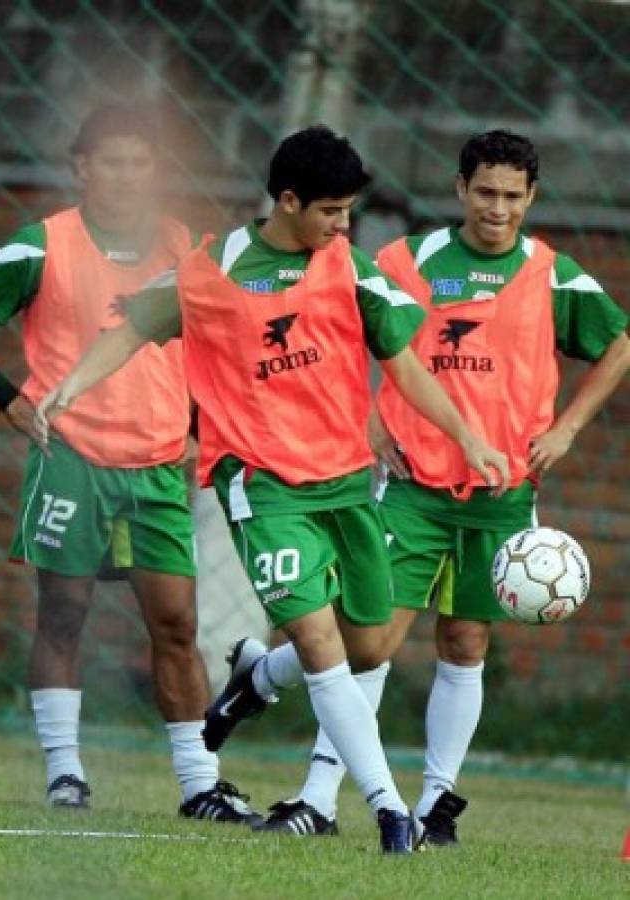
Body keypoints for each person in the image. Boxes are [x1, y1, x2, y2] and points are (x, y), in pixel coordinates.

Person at [34, 125, 509, 853]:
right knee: (319, 642)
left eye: (348, 211)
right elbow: (129, 332)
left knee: (370, 645)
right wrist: (68, 386)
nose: (342, 225)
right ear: (286, 201)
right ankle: (388, 812)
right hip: (262, 486)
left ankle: (256, 680)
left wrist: (468, 436)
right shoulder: (209, 270)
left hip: (347, 483)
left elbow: (406, 364)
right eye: (329, 211)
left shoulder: (346, 268)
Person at [222, 128, 630, 844]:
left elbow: (619, 343)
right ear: (458, 189)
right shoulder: (404, 261)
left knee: (466, 641)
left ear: (531, 196)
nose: (496, 208)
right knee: (370, 640)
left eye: (511, 195)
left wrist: (564, 430)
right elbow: (337, 338)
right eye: (483, 192)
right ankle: (317, 797)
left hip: (502, 491)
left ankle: (432, 803)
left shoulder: (553, 276)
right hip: (412, 485)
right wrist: (369, 425)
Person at [0, 103, 261, 825]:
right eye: (110, 161)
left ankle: (199, 783)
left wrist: (204, 426)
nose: (125, 175)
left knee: (175, 622)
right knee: (65, 612)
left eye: (141, 162)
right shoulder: (38, 246)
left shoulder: (184, 248)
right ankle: (65, 772)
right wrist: (13, 401)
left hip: (158, 466)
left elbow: (220, 348)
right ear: (81, 168)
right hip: (72, 455)